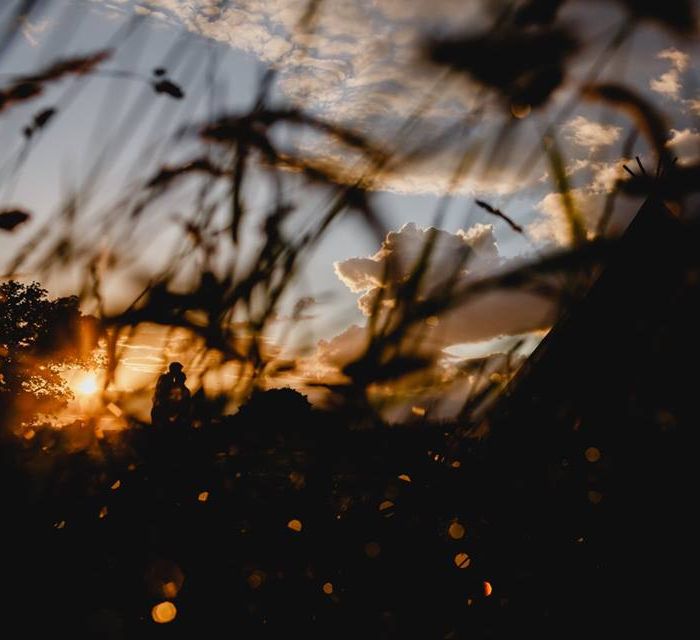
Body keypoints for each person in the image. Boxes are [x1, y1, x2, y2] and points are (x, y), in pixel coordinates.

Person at [151, 362, 191, 428]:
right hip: (162, 410)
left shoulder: (167, 379)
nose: (179, 372)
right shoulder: (168, 380)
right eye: (179, 370)